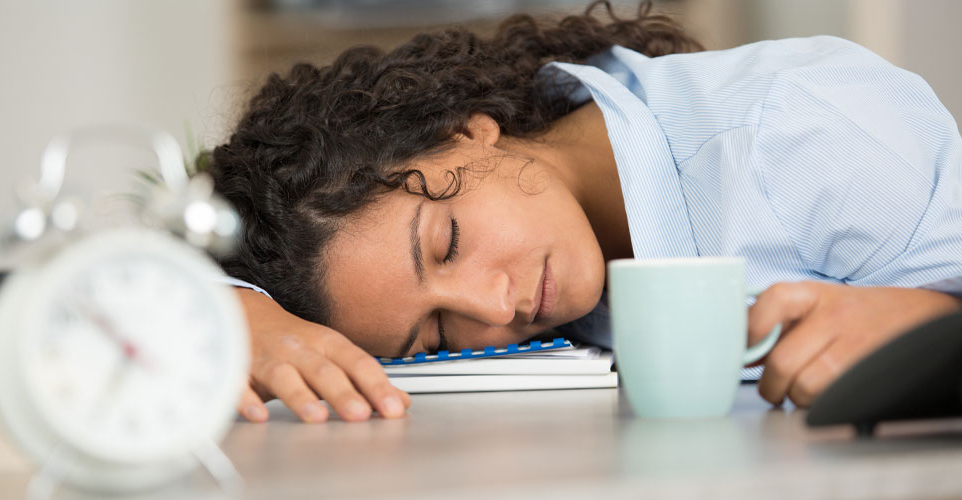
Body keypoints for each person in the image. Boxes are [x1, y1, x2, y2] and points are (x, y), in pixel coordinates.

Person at [205, 1, 962, 423]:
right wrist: (233, 310)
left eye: (448, 242)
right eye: (437, 331)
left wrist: (928, 325)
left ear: (467, 128)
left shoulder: (801, 138)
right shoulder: (557, 246)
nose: (494, 308)